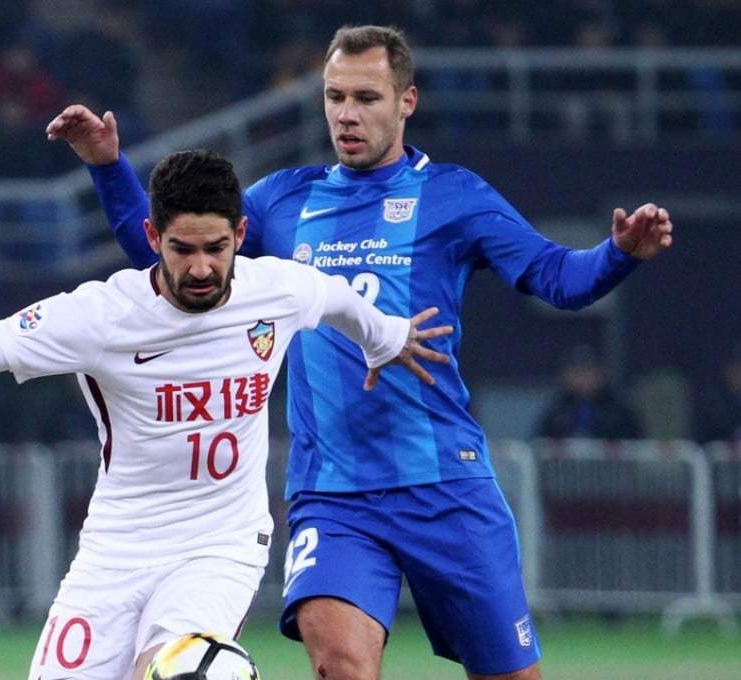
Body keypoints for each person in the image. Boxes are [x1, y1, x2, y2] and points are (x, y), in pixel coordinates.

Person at [45, 24, 674, 680]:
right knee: (343, 666)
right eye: (334, 96)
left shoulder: (455, 196)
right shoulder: (283, 202)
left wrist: (618, 255)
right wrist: (108, 167)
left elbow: (558, 279)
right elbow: (166, 258)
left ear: (407, 101)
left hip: (446, 486)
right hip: (333, 494)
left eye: (367, 97)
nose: (347, 114)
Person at [0, 149, 452, 680]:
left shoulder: (282, 289)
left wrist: (389, 341)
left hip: (222, 544)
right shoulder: (100, 316)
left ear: (238, 232)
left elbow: (352, 309)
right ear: (153, 239)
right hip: (117, 551)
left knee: (198, 673)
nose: (202, 267)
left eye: (217, 248)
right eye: (183, 249)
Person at [533, 343, 642, 440]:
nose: (582, 379)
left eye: (587, 371)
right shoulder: (556, 412)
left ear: (600, 374)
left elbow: (638, 444)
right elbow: (539, 442)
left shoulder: (619, 412)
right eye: (576, 372)